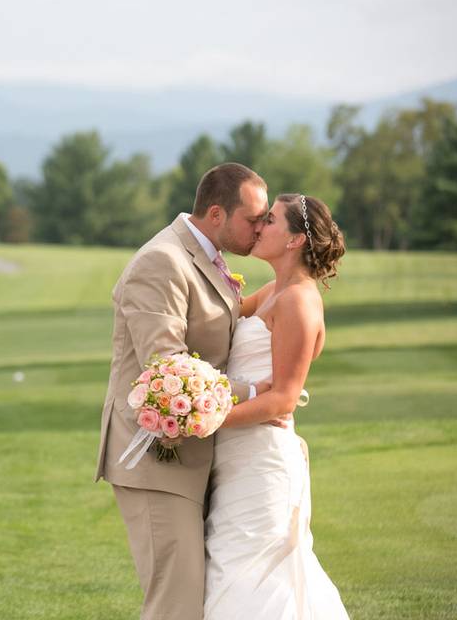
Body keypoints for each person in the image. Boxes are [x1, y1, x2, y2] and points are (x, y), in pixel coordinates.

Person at [95, 162, 275, 619]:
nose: (261, 227)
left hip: (199, 455)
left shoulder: (210, 256)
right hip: (158, 457)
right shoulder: (162, 261)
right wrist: (253, 392)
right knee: (176, 605)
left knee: (204, 598)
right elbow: (167, 367)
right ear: (216, 214)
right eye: (253, 219)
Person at [203, 193, 348, 619]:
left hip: (262, 458)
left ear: (295, 240)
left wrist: (207, 418)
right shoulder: (271, 291)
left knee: (253, 578)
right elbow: (215, 326)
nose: (258, 226)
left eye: (269, 220)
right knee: (230, 567)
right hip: (233, 456)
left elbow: (284, 397)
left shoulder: (299, 301)